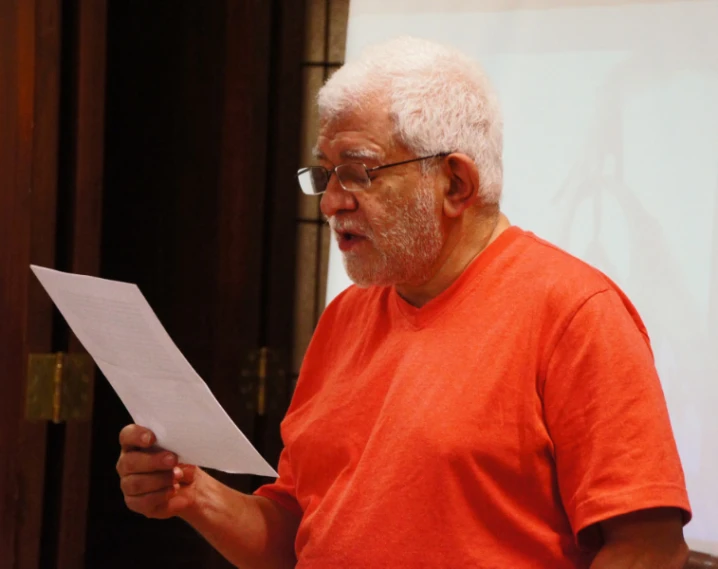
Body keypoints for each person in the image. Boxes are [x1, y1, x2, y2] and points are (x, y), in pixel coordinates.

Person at [116, 37, 691, 568]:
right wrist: (192, 493)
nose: (332, 202)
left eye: (357, 172)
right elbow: (296, 535)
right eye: (324, 174)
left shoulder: (575, 312)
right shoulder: (346, 315)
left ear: (455, 184)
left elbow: (648, 548)